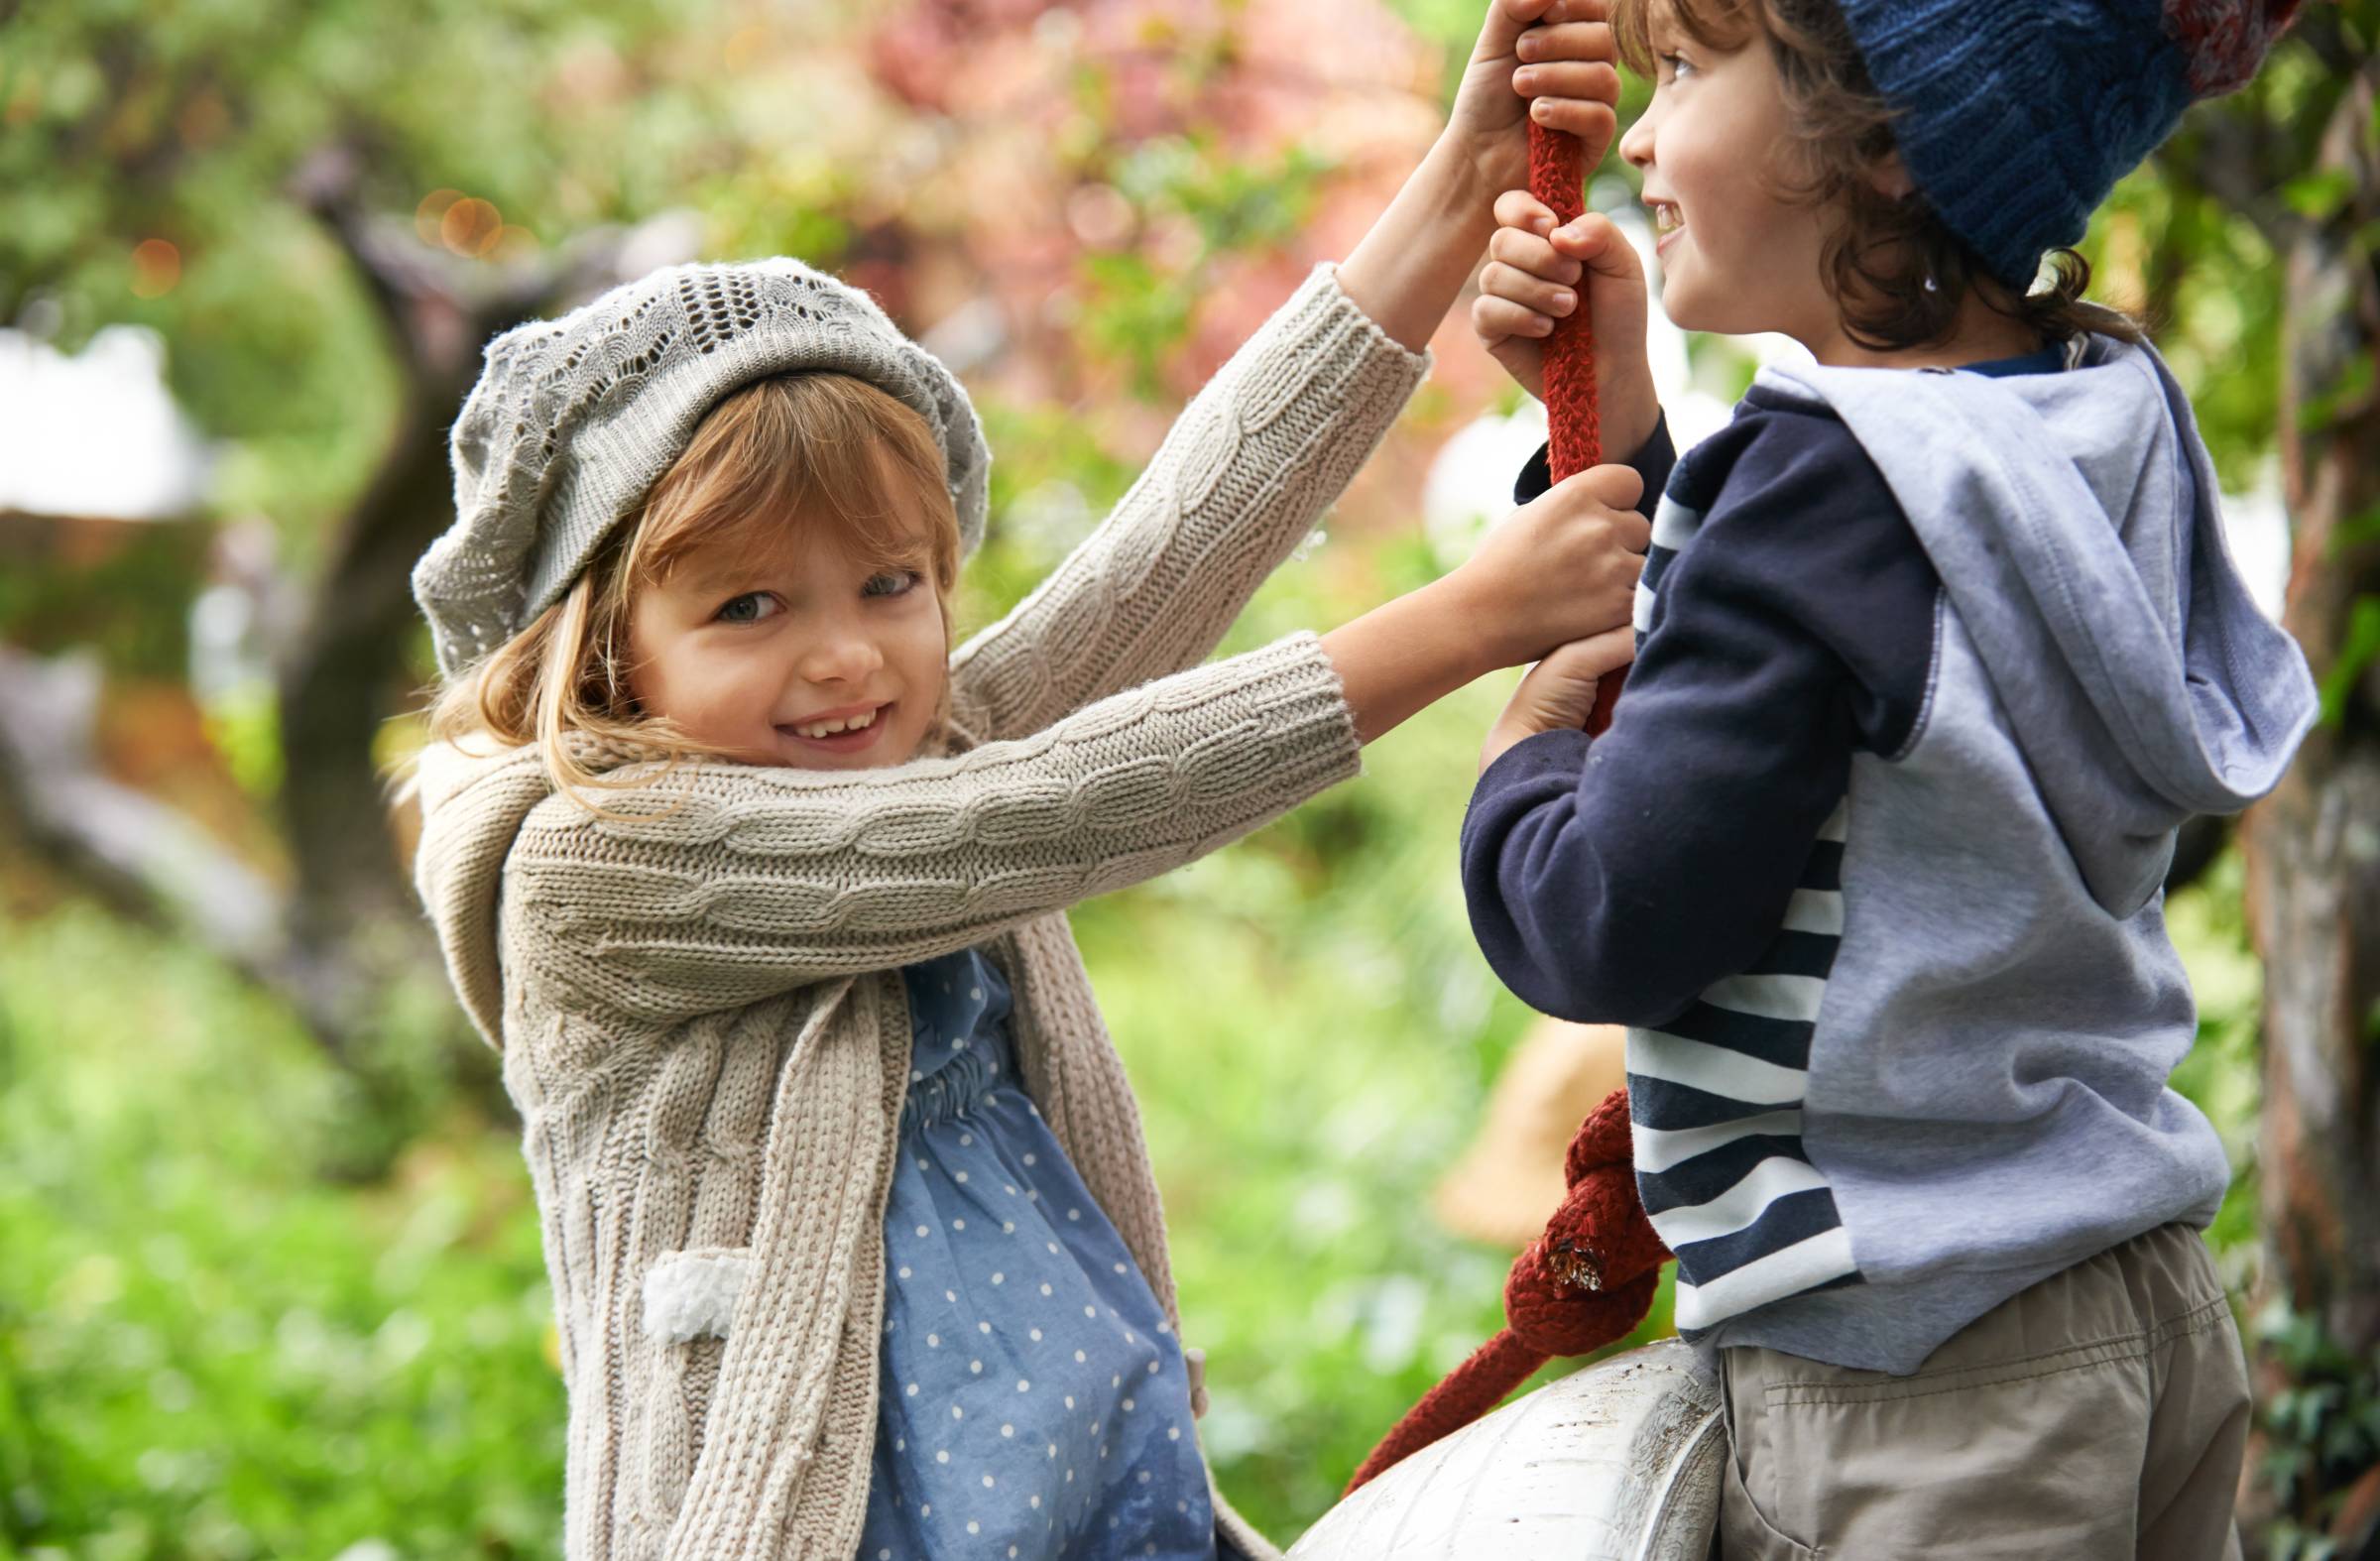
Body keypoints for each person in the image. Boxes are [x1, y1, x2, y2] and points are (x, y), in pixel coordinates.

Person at [401, 3, 1664, 1554]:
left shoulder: (901, 745)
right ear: (603, 658)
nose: (844, 657)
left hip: (1113, 1506)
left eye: (890, 583)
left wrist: (1466, 171)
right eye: (748, 606)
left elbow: (1170, 556)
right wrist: (1468, 620)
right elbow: (1047, 810)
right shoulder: (591, 873)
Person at [1458, 0, 2316, 1554]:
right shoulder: (2095, 416)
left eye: (1690, 68)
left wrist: (1520, 761)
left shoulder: (1819, 490)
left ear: (1888, 141)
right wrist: (1629, 435)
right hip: (2129, 1297)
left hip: (1918, 1380)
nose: (1641, 135)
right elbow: (1859, 706)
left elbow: (1611, 915)